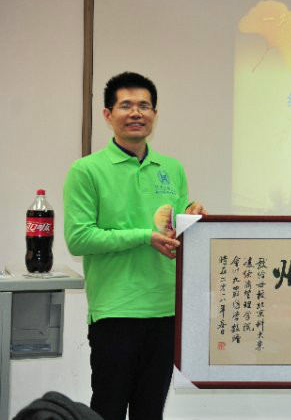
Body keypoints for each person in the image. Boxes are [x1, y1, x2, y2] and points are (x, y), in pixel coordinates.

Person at [64, 72, 206, 420]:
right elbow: (79, 238)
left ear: (154, 114)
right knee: (108, 410)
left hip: (165, 310)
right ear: (107, 114)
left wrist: (193, 218)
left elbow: (175, 231)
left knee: (150, 412)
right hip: (115, 310)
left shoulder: (172, 168)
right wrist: (144, 236)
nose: (136, 113)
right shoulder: (86, 170)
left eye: (144, 105)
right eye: (125, 105)